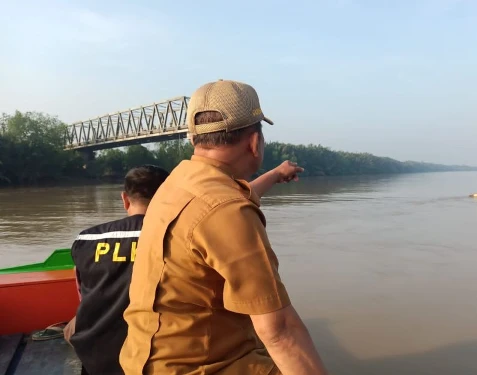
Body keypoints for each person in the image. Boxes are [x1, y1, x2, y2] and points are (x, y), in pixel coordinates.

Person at [119, 79, 327, 375]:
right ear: (254, 142)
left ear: (195, 139)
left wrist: (275, 175)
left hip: (144, 361)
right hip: (206, 367)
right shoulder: (227, 210)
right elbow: (279, 331)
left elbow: (222, 204)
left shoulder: (178, 183)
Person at [65, 160, 305, 375]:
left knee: (70, 326)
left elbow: (81, 294)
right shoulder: (181, 231)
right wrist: (275, 174)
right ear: (167, 195)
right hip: (150, 358)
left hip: (95, 356)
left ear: (125, 199)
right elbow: (235, 200)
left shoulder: (86, 240)